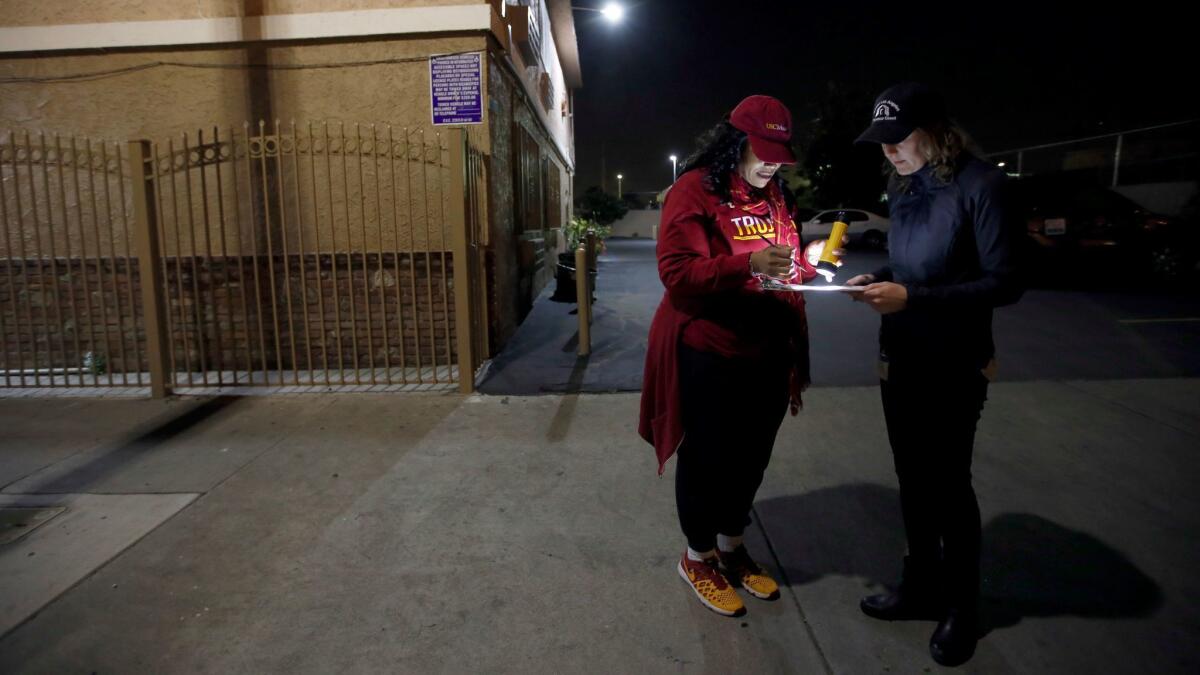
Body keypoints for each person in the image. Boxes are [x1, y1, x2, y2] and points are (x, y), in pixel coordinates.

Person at [847, 82, 1023, 666]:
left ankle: (962, 609)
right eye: (882, 142)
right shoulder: (904, 187)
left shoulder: (983, 184)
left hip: (954, 360)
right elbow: (905, 263)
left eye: (899, 139)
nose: (890, 151)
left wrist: (912, 297)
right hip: (901, 356)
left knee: (948, 484)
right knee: (912, 479)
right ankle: (919, 586)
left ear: (936, 131)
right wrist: (876, 280)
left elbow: (1006, 281)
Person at [639, 95, 821, 617]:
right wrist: (746, 265)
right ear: (733, 142)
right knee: (708, 460)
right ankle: (697, 558)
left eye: (779, 154)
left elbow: (781, 267)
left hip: (767, 351)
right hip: (711, 351)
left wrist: (807, 261)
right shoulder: (694, 190)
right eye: (761, 151)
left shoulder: (776, 195)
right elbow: (676, 274)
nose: (771, 163)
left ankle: (731, 547)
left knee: (751, 457)